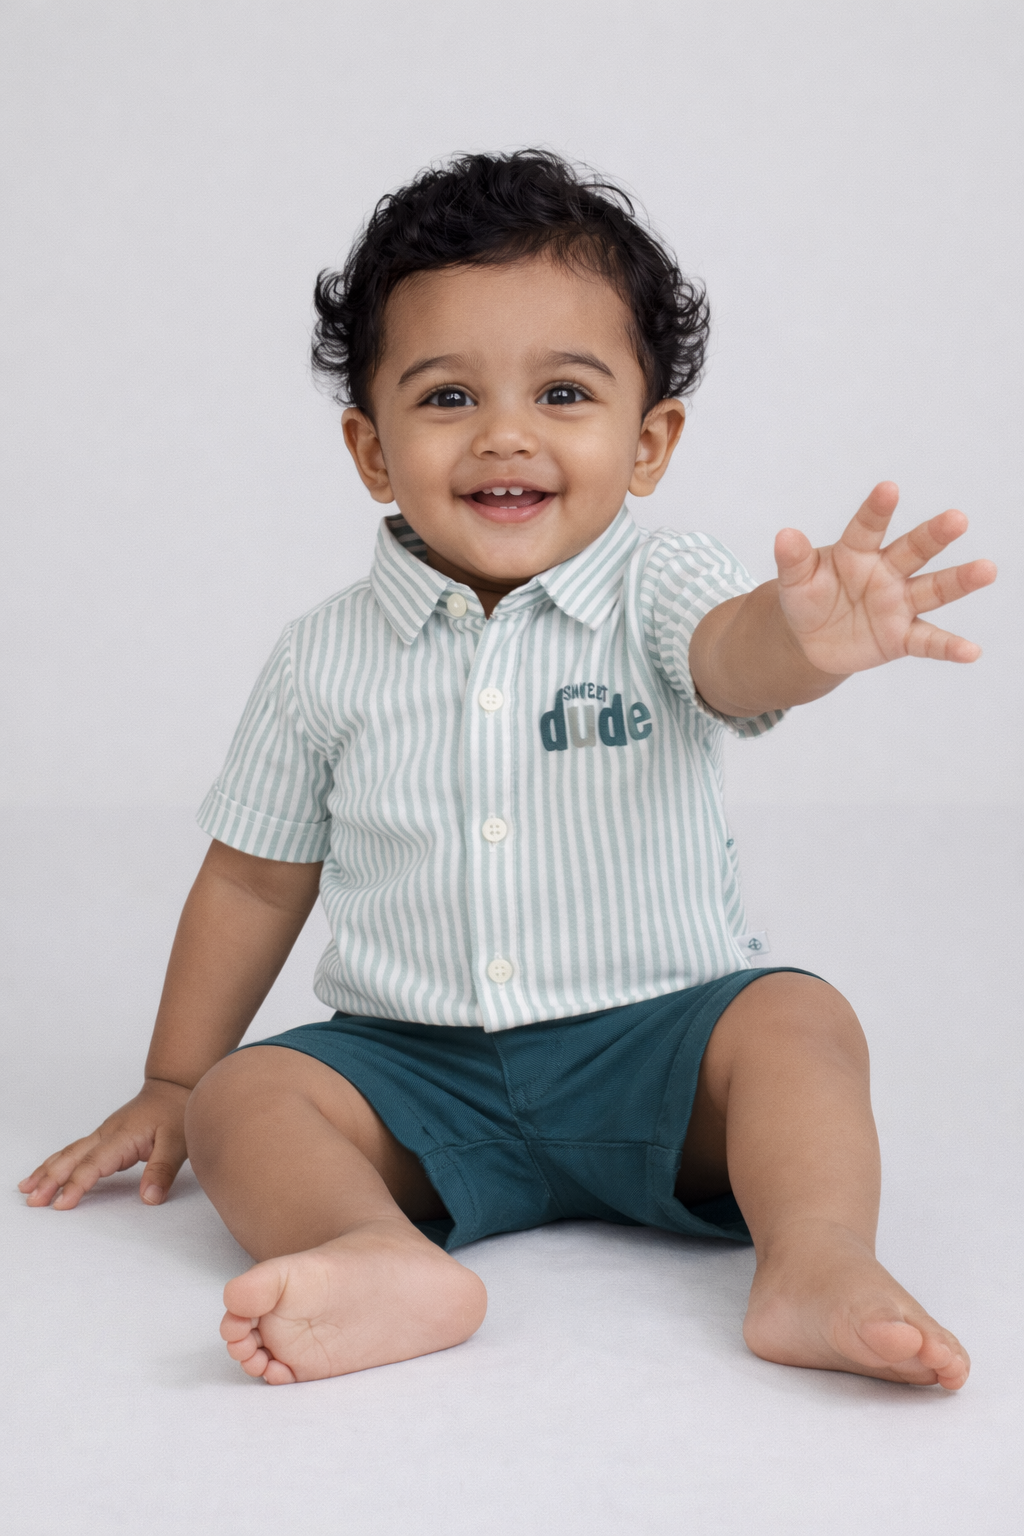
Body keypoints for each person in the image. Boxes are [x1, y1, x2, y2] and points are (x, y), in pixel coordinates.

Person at [20, 151, 995, 1389]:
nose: (505, 435)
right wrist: (172, 1078)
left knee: (798, 1021)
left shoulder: (662, 587)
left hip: (657, 1049)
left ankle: (816, 1261)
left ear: (648, 442)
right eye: (446, 397)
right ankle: (375, 1252)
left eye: (564, 393)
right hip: (415, 1071)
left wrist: (803, 643)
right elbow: (256, 879)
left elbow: (730, 661)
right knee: (246, 1100)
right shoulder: (322, 656)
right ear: (372, 451)